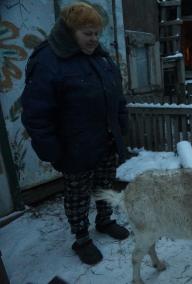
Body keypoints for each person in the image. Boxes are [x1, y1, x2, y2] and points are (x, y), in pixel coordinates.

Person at [21, 2, 129, 265]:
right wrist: (51, 149)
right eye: (87, 33)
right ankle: (81, 237)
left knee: (105, 184)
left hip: (105, 141)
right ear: (70, 31)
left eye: (96, 33)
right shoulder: (48, 60)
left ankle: (104, 221)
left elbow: (118, 96)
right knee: (78, 194)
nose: (94, 39)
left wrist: (121, 128)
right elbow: (36, 112)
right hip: (74, 147)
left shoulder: (101, 57)